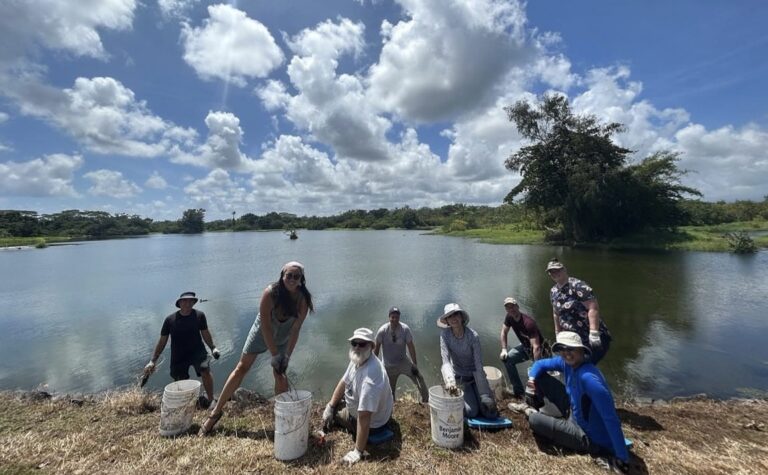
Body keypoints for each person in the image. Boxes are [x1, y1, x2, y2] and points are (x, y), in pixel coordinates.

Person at [199, 261, 314, 436]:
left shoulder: (302, 299)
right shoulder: (270, 293)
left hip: (284, 335)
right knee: (241, 368)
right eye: (288, 275)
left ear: (301, 280)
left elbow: (296, 329)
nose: (291, 279)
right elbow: (266, 327)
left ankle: (282, 418)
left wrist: (286, 357)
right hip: (262, 332)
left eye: (296, 276)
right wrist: (274, 354)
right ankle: (215, 413)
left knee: (280, 374)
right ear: (282, 276)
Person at [518, 331, 629, 473]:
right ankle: (536, 404)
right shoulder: (566, 363)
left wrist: (622, 458)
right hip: (573, 411)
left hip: (587, 436)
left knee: (534, 419)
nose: (566, 353)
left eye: (571, 349)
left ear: (582, 351)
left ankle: (532, 411)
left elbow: (611, 419)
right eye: (562, 349)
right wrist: (532, 380)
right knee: (540, 378)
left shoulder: (589, 378)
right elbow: (540, 364)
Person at [322, 328, 394, 466]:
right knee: (334, 405)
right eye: (354, 343)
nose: (357, 347)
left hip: (374, 424)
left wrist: (357, 451)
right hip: (368, 410)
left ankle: (357, 437)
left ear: (372, 346)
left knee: (336, 414)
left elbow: (365, 416)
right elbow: (344, 381)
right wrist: (330, 406)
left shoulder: (370, 378)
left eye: (362, 344)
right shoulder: (359, 358)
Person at [144, 291, 220, 407]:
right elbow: (162, 341)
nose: (188, 303)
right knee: (179, 380)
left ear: (194, 303)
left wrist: (213, 348)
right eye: (185, 301)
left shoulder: (199, 316)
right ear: (179, 303)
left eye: (191, 301)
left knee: (205, 371)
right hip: (178, 355)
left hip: (198, 352)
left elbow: (205, 333)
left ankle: (211, 400)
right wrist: (153, 360)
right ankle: (184, 405)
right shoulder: (170, 320)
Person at [438, 303, 497, 419]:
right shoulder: (445, 335)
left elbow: (478, 364)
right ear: (447, 321)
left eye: (456, 314)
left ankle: (484, 395)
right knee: (471, 412)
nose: (453, 318)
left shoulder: (473, 336)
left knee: (490, 413)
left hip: (476, 377)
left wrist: (484, 394)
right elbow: (445, 360)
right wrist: (450, 381)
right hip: (460, 377)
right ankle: (464, 397)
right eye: (450, 316)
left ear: (461, 317)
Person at [547, 258, 611, 364]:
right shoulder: (553, 291)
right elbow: (555, 313)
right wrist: (558, 332)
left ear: (564, 270)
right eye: (551, 272)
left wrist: (594, 333)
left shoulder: (578, 286)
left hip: (590, 337)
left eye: (557, 270)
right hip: (573, 339)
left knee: (585, 366)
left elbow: (593, 307)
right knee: (575, 365)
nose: (554, 273)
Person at [374, 306, 429, 403]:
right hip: (388, 365)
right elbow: (376, 349)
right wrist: (375, 365)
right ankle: (392, 406)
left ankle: (426, 400)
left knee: (419, 377)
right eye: (392, 317)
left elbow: (411, 347)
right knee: (390, 391)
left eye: (396, 317)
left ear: (399, 318)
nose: (394, 319)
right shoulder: (382, 331)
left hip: (403, 361)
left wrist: (414, 364)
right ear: (389, 317)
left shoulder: (405, 329)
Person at [499, 297, 546, 398]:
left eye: (513, 306)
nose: (511, 309)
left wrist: (536, 365)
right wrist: (504, 349)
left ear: (517, 306)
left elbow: (536, 346)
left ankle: (541, 398)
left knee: (540, 375)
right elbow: (504, 331)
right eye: (508, 308)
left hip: (540, 351)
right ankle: (519, 392)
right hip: (525, 347)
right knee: (508, 360)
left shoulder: (529, 323)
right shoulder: (509, 317)